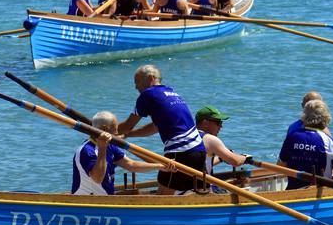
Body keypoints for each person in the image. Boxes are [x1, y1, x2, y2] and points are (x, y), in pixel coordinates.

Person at [117, 65, 207, 195]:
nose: (135, 87)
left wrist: (105, 129)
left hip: (180, 152)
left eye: (137, 82)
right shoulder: (171, 93)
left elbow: (127, 125)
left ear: (150, 78)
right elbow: (155, 127)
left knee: (163, 196)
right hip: (199, 150)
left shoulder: (147, 94)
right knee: (199, 194)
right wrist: (128, 135)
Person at [72, 111, 166, 195]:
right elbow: (98, 178)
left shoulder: (111, 147)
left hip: (106, 200)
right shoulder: (86, 150)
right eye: (115, 129)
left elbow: (131, 165)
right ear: (105, 130)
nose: (117, 133)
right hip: (88, 202)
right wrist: (102, 148)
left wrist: (160, 166)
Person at [278, 100, 333, 190]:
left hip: (292, 190)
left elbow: (281, 167)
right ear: (326, 118)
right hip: (320, 192)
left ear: (304, 116)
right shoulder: (329, 141)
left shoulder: (291, 137)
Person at [195, 106, 249, 172]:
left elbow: (201, 164)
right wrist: (244, 158)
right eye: (218, 123)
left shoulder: (188, 136)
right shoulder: (210, 139)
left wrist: (221, 158)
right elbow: (236, 161)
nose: (221, 126)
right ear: (205, 123)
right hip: (203, 182)